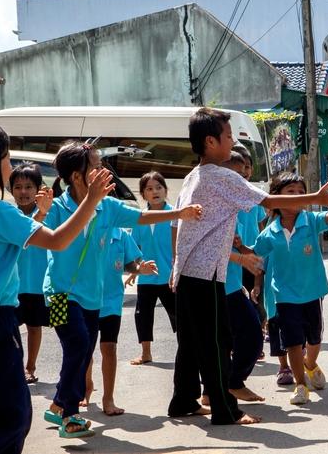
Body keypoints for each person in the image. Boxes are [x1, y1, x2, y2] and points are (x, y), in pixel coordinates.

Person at [167, 107, 328, 425]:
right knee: (217, 343)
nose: (232, 141)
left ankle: (183, 400)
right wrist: (315, 198)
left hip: (187, 272)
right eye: (227, 136)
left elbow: (175, 226)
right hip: (205, 273)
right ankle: (225, 409)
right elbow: (268, 201)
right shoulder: (220, 175)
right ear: (210, 142)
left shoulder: (193, 176)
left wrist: (177, 265)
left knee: (192, 343)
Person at [0, 118, 113, 454]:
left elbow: (2, 243)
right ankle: (67, 408)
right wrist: (92, 200)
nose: (10, 164)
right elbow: (59, 241)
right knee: (12, 418)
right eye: (6, 156)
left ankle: (66, 406)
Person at [41, 141, 203, 439]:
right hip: (61, 293)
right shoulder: (57, 206)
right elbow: (38, 231)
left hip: (95, 297)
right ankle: (71, 414)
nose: (103, 170)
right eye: (96, 165)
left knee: (82, 350)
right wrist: (40, 213)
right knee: (77, 346)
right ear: (77, 176)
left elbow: (142, 216)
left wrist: (179, 214)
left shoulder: (107, 207)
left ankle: (58, 402)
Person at [251, 172, 328, 405]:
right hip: (284, 294)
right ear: (276, 198)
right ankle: (300, 385)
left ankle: (310, 364)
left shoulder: (310, 220)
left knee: (314, 338)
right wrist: (240, 248)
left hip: (313, 291)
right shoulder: (269, 232)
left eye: (301, 192)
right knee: (293, 341)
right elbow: (256, 253)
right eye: (290, 192)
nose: (297, 196)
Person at [82, 228, 157, 415]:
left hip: (111, 301)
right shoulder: (84, 229)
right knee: (84, 349)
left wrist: (140, 269)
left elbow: (130, 264)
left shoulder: (121, 235)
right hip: (85, 299)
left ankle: (108, 398)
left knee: (109, 348)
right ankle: (86, 387)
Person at [220, 151, 265, 403]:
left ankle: (217, 389)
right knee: (249, 335)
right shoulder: (213, 198)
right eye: (234, 173)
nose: (241, 178)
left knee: (239, 336)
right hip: (219, 283)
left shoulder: (239, 201)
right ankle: (232, 383)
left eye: (243, 172)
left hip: (234, 280)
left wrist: (247, 255)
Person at [10, 162, 53, 384]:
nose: (24, 192)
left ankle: (30, 368)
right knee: (9, 329)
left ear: (38, 188)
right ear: (11, 190)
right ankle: (15, 368)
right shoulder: (7, 214)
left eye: (28, 186)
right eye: (18, 187)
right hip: (12, 286)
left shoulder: (51, 213)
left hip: (45, 286)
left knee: (39, 327)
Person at [129, 171, 177, 366]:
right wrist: (135, 269)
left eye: (158, 187)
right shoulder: (140, 218)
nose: (155, 191)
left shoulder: (175, 215)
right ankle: (146, 352)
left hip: (170, 276)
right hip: (147, 277)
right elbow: (134, 248)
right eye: (149, 189)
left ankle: (188, 352)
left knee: (178, 316)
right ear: (143, 194)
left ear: (165, 190)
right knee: (143, 315)